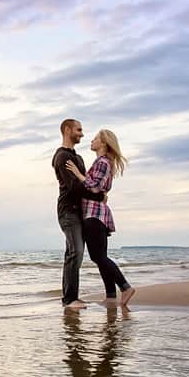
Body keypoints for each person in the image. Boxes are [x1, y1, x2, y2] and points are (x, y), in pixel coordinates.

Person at [65, 129, 136, 308]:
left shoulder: (103, 162)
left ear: (103, 143)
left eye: (95, 138)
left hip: (94, 214)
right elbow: (98, 189)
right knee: (100, 256)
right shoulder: (103, 162)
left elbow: (94, 188)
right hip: (97, 213)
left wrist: (77, 173)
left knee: (98, 256)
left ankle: (125, 287)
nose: (92, 141)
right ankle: (111, 296)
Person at [51, 119, 104, 309]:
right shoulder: (62, 157)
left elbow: (87, 182)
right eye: (78, 130)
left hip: (80, 212)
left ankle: (72, 297)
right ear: (67, 130)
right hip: (68, 212)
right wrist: (98, 197)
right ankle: (69, 300)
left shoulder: (79, 158)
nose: (82, 134)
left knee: (73, 253)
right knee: (76, 252)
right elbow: (74, 187)